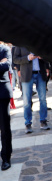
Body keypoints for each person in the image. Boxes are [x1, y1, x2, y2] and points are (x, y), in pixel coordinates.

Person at [13, 47, 50, 133]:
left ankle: (43, 121)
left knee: (43, 99)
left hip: (40, 74)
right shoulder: (20, 43)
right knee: (26, 101)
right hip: (26, 74)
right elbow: (15, 59)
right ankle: (28, 123)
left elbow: (49, 56)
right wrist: (28, 58)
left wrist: (42, 57)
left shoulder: (39, 41)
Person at [0, 43, 13, 171]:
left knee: (4, 128)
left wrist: (2, 63)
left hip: (1, 93)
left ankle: (6, 157)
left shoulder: (4, 49)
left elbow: (6, 66)